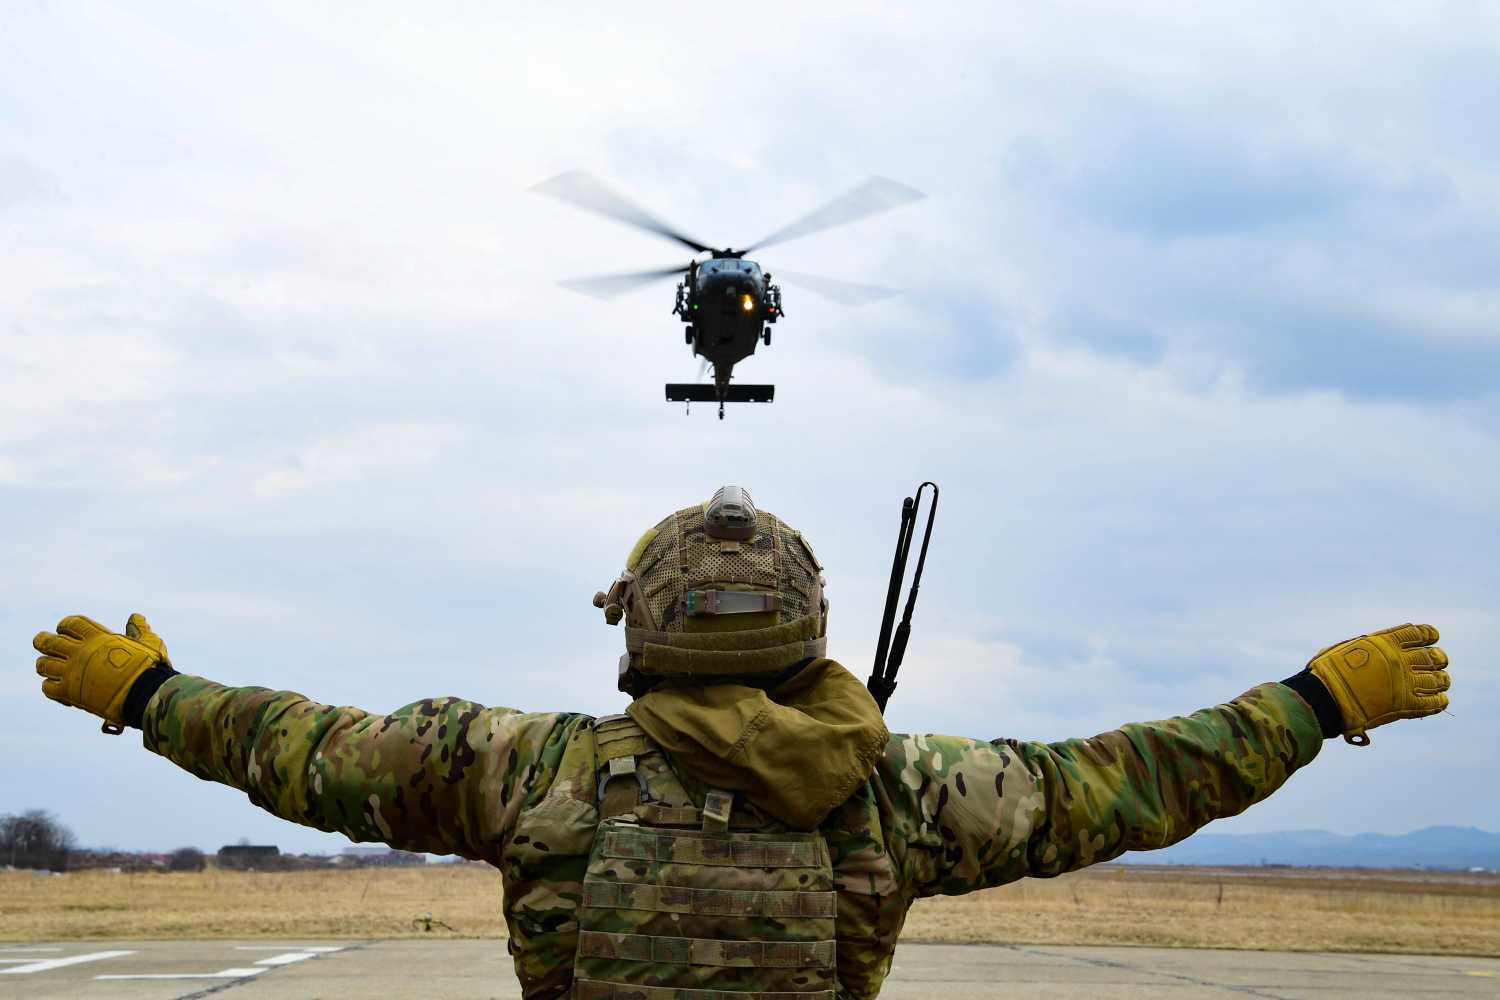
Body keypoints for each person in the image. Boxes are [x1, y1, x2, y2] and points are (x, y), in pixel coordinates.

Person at [31, 487, 1451, 1000]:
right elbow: (1140, 777)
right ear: (808, 631)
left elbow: (299, 746)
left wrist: (148, 694)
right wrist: (1318, 702)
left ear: (641, 630)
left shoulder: (524, 770)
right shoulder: (909, 794)